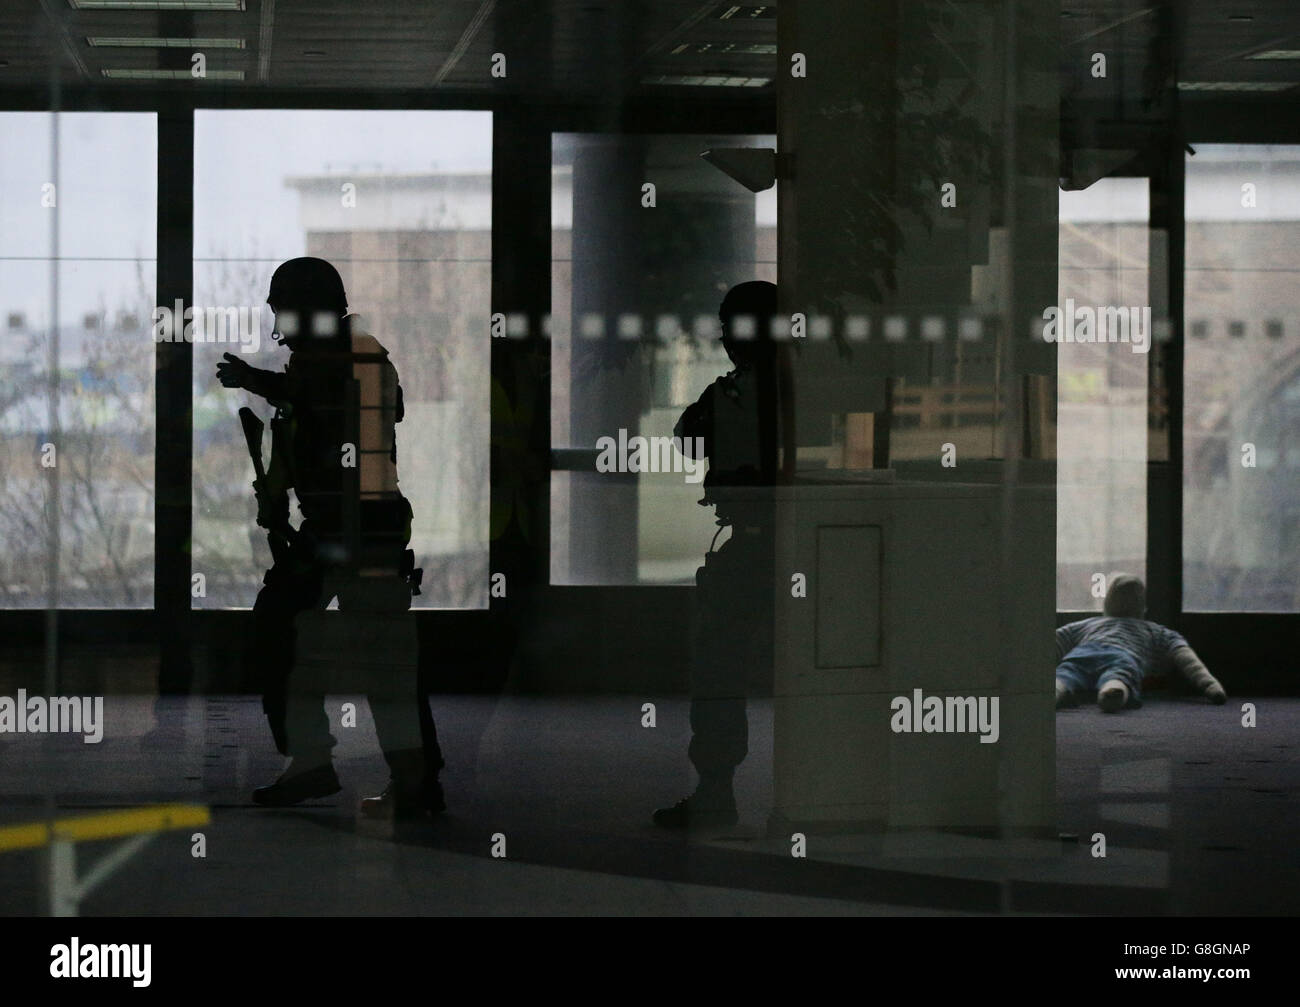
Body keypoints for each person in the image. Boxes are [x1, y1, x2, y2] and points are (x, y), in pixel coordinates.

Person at [216, 256, 444, 819]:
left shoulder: (354, 360)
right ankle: (343, 768)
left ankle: (402, 779)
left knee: (371, 657)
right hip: (336, 533)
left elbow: (327, 405)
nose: (280, 323)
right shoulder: (329, 362)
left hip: (361, 534)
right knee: (296, 641)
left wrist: (257, 382)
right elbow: (305, 423)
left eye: (284, 310)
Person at [653, 281, 786, 829]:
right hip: (793, 546)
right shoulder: (770, 388)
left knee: (718, 670)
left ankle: (715, 793)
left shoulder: (741, 392)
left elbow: (690, 434)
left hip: (758, 545)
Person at [1055, 574, 1227, 712]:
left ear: (1107, 603)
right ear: (1142, 606)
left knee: (1066, 673)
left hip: (1084, 652)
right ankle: (1113, 691)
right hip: (1124, 655)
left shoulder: (1088, 623)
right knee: (1121, 674)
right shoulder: (1155, 630)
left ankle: (1056, 690)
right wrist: (1211, 686)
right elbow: (1186, 659)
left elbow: (1056, 640)